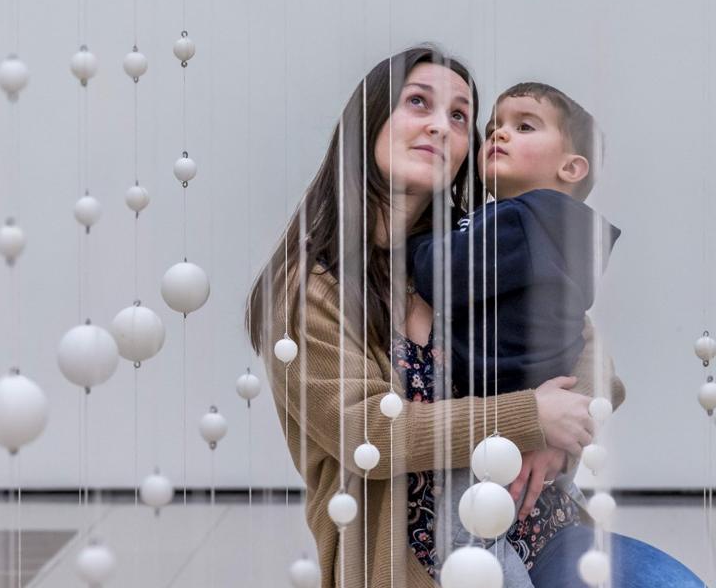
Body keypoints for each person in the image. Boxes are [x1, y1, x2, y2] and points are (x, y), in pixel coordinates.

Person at [245, 46, 702, 587]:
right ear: (369, 121)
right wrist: (527, 416)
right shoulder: (312, 286)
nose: (440, 126)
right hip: (423, 565)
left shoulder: (475, 251)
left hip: (545, 531)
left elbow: (592, 358)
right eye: (419, 103)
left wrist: (553, 439)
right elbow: (365, 433)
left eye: (459, 116)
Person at [405, 83, 621, 587]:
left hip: (500, 428)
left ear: (571, 168)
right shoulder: (542, 229)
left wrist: (415, 241)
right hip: (533, 425)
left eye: (524, 126)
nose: (498, 132)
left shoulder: (525, 220)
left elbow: (443, 275)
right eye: (493, 127)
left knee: (469, 548)